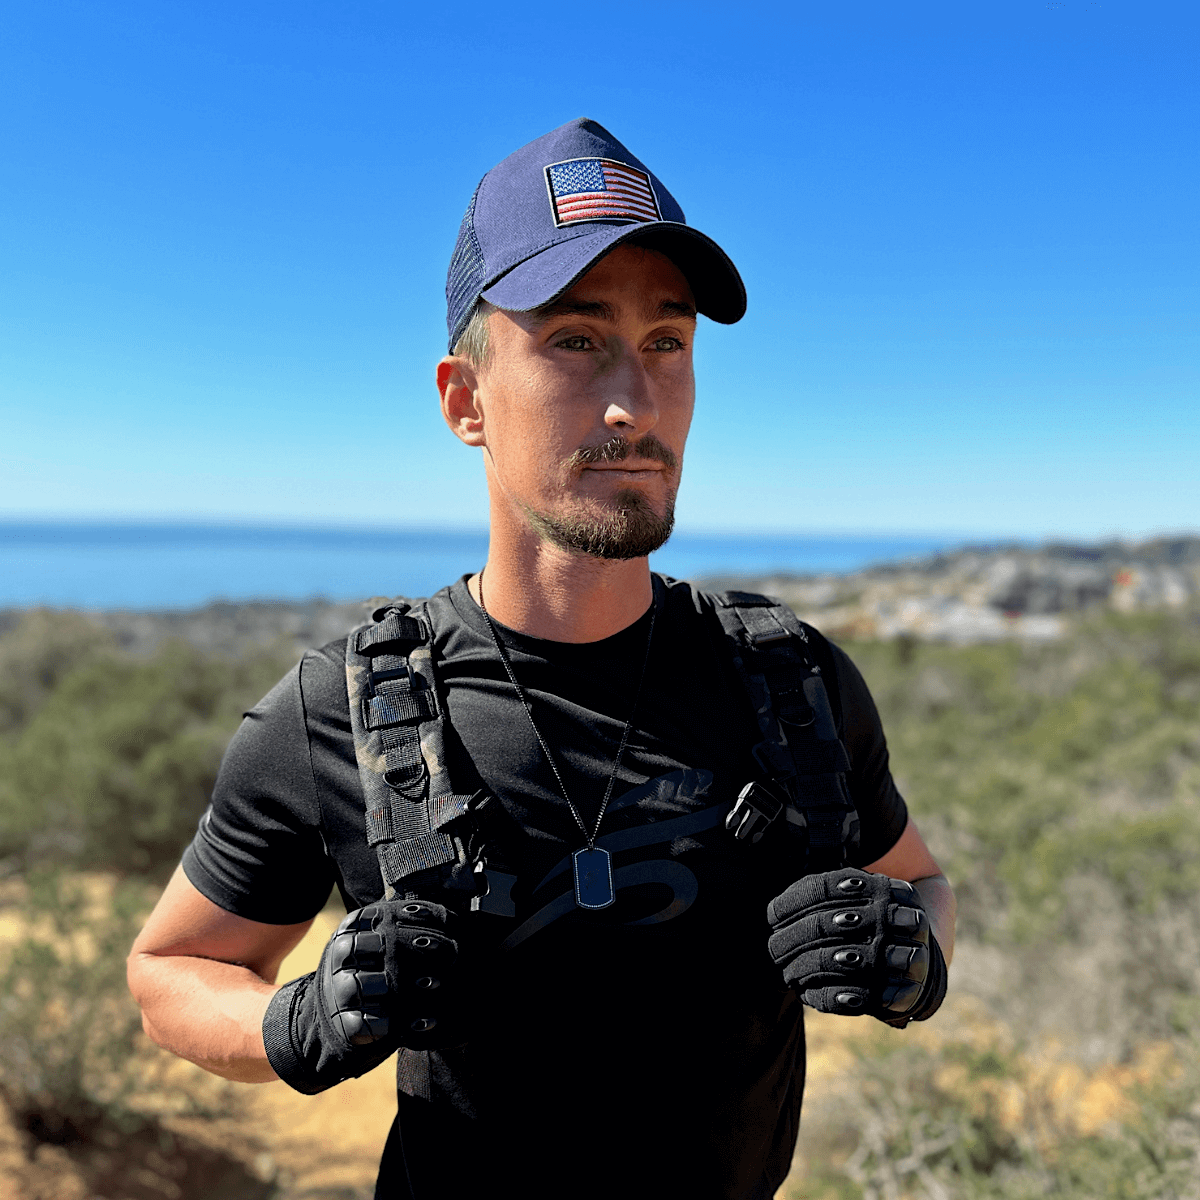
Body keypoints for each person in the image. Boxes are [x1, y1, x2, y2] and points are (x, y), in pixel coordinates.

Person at [128, 118, 955, 1200]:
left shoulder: (788, 683)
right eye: (575, 341)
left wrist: (912, 950)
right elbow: (174, 972)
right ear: (465, 402)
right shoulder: (339, 714)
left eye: (668, 342)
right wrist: (299, 1019)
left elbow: (921, 883)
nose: (635, 400)